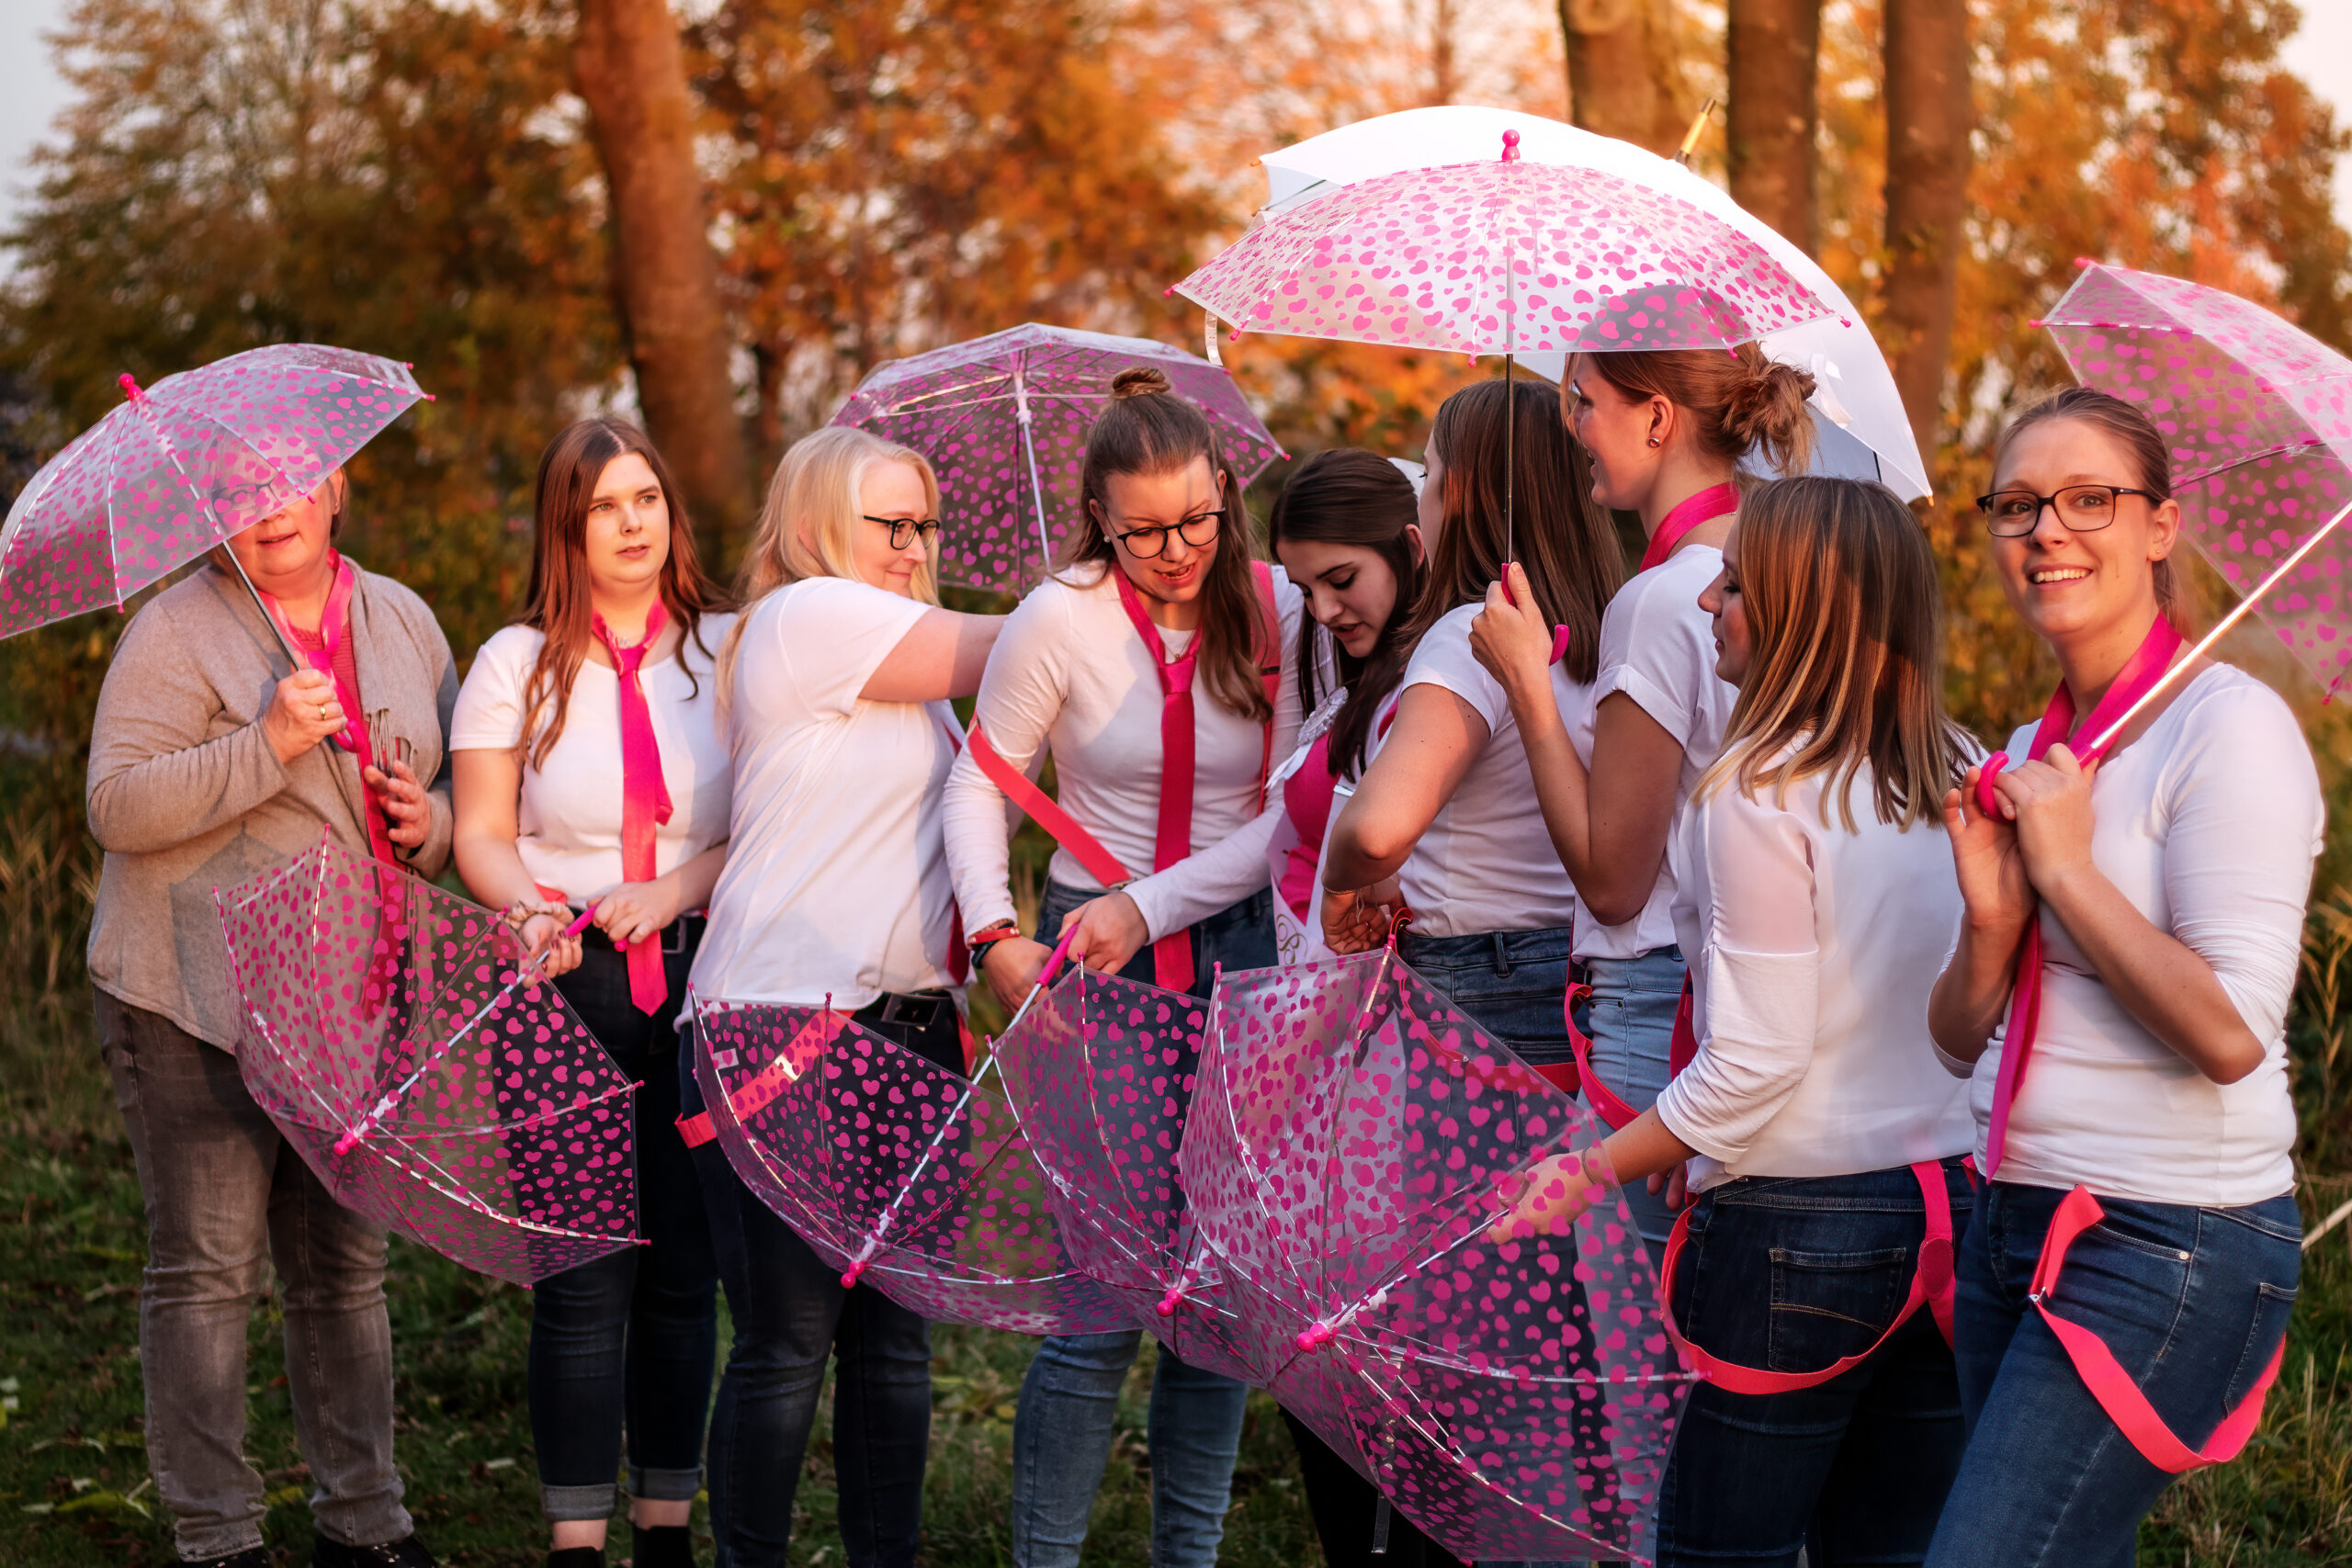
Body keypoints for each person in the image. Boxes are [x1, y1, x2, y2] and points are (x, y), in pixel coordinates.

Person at [1489, 476, 1980, 1565]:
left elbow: (1757, 1060)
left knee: (1723, 1551)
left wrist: (1585, 1171)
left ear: (1805, 615)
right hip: (1948, 1219)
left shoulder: (1756, 791)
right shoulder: (1956, 764)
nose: (1709, 602)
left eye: (1736, 586)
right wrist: (1702, 1138)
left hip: (1795, 1231)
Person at [1921, 389, 2314, 1564]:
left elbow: (2231, 1034)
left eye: (2089, 499)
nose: (2047, 530)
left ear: (2159, 526)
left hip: (2166, 1241)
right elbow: (1953, 1041)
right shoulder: (2037, 753)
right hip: (2010, 1218)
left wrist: (2065, 870)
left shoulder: (2228, 730)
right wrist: (1995, 917)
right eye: (2019, 505)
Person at [940, 365, 1303, 1568]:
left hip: (1248, 954)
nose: (1176, 549)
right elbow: (981, 779)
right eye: (1144, 529)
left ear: (1226, 495)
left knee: (1217, 1301)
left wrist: (1159, 905)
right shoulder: (1061, 616)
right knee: (1099, 1301)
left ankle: (1184, 1555)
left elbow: (1293, 813)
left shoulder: (1280, 605)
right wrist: (993, 933)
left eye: (1197, 518)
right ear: (1100, 514)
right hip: (1096, 959)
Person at [87, 468, 451, 1568]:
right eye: (241, 484)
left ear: (340, 484)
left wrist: (423, 819)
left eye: (295, 475)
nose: (270, 500)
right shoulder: (174, 629)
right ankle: (217, 1534)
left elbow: (446, 799)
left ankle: (363, 1519)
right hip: (190, 994)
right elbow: (115, 806)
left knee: (343, 1269)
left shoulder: (401, 618)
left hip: (345, 1001)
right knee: (208, 1269)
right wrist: (266, 747)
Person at [681, 425, 1003, 1568]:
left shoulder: (914, 679)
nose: (916, 549)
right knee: (788, 1340)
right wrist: (1111, 577)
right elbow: (1019, 650)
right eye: (892, 526)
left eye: (926, 527)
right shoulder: (805, 618)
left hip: (915, 1031)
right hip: (786, 1025)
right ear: (822, 525)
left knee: (894, 1343)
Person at [449, 419, 729, 1568]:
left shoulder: (728, 651)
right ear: (566, 527)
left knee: (681, 1277)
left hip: (705, 976)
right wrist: (527, 911)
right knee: (580, 1279)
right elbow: (479, 829)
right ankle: (574, 1540)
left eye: (647, 498)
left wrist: (672, 891)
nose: (632, 523)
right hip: (561, 987)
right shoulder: (515, 661)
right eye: (605, 505)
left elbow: (757, 828)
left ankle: (664, 1532)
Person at [1470, 345, 1817, 1258]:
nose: (1572, 427)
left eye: (1582, 402)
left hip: (1655, 1003)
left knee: (1640, 1368)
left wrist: (1526, 690)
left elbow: (1613, 883)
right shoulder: (1786, 572)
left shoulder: (1662, 600)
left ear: (1657, 419)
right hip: (1743, 1001)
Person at [1261, 447, 1458, 1568]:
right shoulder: (1357, 682)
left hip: (1386, 1057)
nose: (1324, 608)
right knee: (1313, 1358)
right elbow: (1279, 839)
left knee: (1396, 1370)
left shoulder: (1451, 673)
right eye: (1304, 588)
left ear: (1410, 549)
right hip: (1309, 1048)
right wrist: (1139, 909)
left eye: (1341, 579)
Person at [1320, 376, 1620, 1080]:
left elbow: (1375, 830)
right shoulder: (1601, 632)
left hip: (1478, 985)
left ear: (1459, 493)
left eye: (1428, 470)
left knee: (1464, 1197)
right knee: (1538, 1195)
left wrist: (1341, 885)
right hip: (1576, 977)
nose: (1421, 490)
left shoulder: (1472, 635)